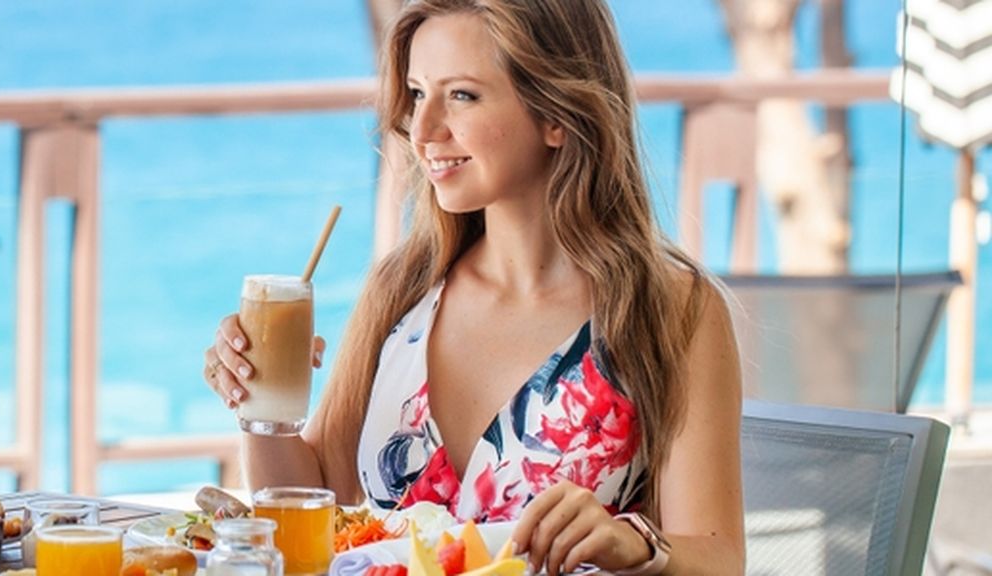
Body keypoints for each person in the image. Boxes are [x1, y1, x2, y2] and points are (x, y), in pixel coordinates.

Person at [200, 0, 746, 573]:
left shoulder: (672, 310)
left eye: (461, 95)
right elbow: (312, 503)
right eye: (417, 94)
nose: (423, 131)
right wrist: (259, 406)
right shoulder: (403, 289)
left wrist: (632, 542)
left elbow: (719, 558)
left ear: (557, 115)